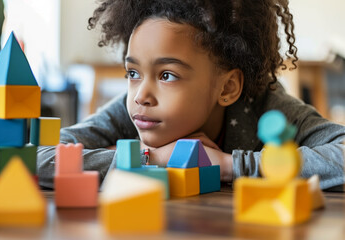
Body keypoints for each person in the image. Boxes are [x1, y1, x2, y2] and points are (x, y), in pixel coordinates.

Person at [37, 0, 345, 190]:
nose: (141, 95)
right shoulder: (135, 109)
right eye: (133, 73)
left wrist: (227, 165)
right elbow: (35, 155)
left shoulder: (266, 106)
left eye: (167, 75)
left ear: (227, 88)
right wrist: (152, 159)